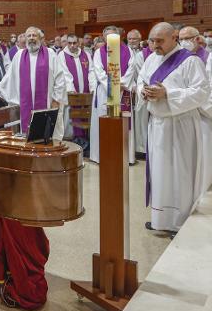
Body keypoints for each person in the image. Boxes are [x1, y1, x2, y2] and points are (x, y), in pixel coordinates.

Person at [136, 22, 210, 237]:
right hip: (158, 124)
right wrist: (144, 92)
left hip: (181, 125)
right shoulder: (151, 59)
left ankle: (179, 222)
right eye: (152, 40)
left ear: (174, 37)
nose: (155, 45)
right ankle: (161, 218)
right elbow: (140, 81)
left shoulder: (190, 61)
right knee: (159, 172)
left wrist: (168, 94)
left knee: (180, 173)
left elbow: (201, 92)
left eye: (160, 41)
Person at [0, 26, 66, 139]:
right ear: (25, 39)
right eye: (29, 36)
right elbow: (9, 77)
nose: (31, 38)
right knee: (28, 134)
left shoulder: (50, 53)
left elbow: (60, 78)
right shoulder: (19, 56)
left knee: (48, 134)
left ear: (40, 38)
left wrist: (56, 99)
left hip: (47, 103)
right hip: (26, 106)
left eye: (34, 35)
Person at [89, 26, 137, 164]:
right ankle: (101, 155)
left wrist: (120, 84)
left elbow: (131, 69)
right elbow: (98, 71)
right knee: (104, 121)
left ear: (119, 36)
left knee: (123, 120)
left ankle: (125, 156)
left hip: (123, 92)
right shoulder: (99, 52)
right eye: (107, 36)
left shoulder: (128, 51)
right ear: (104, 38)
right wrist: (112, 85)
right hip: (105, 91)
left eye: (113, 36)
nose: (110, 38)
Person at [58, 34, 97, 140]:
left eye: (74, 43)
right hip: (71, 94)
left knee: (86, 116)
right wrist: (71, 89)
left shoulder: (86, 55)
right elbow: (65, 74)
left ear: (78, 43)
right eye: (69, 43)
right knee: (72, 117)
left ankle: (85, 140)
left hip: (86, 94)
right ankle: (73, 139)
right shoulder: (62, 55)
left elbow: (91, 72)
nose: (72, 46)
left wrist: (93, 88)